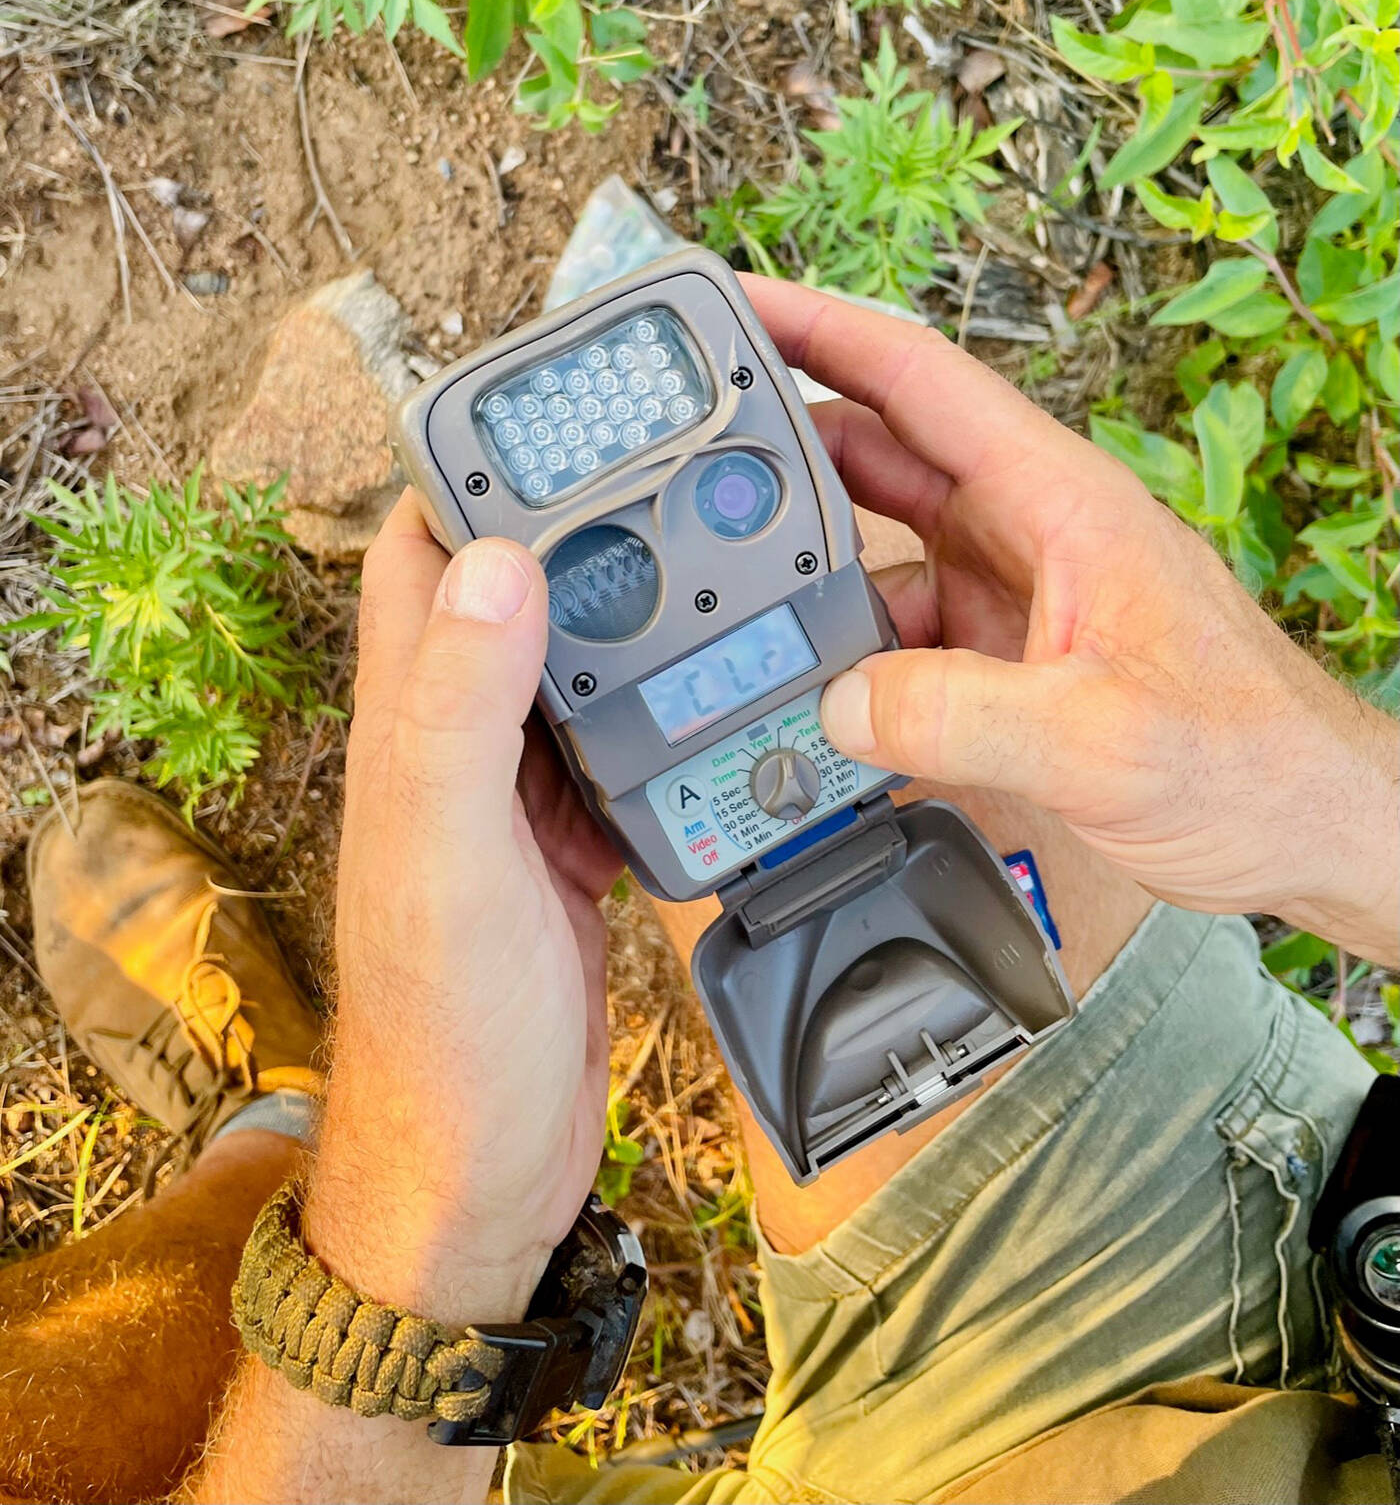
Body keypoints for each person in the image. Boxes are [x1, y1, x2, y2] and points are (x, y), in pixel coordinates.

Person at [2, 276, 1396, 1505]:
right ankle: (293, 1139)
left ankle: (286, 1143)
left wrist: (423, 1209)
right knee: (874, 558)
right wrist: (1342, 817)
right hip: (1264, 1269)